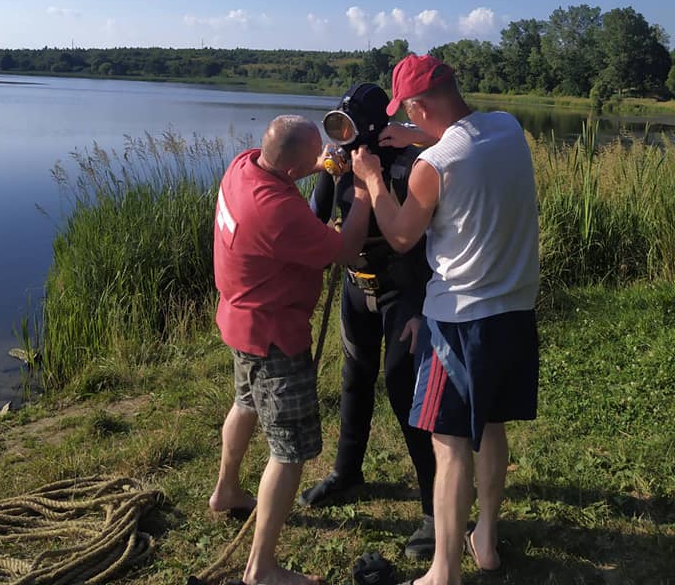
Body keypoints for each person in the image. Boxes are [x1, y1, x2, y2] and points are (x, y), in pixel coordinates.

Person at [351, 55, 540, 585]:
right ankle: (486, 539)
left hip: (459, 321)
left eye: (408, 114)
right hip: (514, 312)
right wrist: (409, 135)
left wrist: (372, 179)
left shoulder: (434, 167)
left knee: (448, 441)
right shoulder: (508, 128)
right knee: (491, 426)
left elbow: (403, 235)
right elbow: (458, 139)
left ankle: (444, 572)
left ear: (416, 104)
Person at [207, 114, 371, 585]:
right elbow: (345, 247)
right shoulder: (277, 209)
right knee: (290, 450)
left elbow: (291, 174)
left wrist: (321, 166)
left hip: (240, 320)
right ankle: (262, 568)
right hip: (274, 336)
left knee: (244, 402)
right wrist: (361, 187)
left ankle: (226, 491)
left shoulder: (244, 167)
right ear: (293, 167)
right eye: (313, 155)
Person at [298, 83, 436, 560]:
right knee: (355, 377)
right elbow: (315, 217)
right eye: (337, 124)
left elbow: (428, 233)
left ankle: (434, 511)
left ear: (378, 127)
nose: (343, 136)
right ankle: (347, 471)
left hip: (404, 286)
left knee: (404, 388)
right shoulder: (339, 161)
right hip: (358, 284)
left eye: (351, 126)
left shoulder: (410, 162)